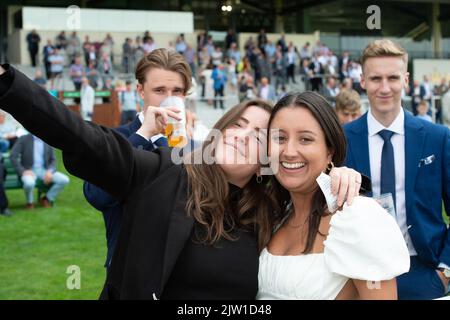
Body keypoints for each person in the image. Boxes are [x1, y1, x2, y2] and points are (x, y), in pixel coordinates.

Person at [0, 63, 360, 299]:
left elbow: (306, 178)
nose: (241, 135)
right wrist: (8, 84)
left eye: (259, 135)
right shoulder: (164, 172)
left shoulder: (271, 212)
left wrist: (335, 174)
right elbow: (84, 138)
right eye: (237, 124)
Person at [257, 91, 410, 300]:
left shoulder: (357, 217)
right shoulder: (272, 212)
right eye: (280, 138)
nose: (289, 151)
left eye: (305, 139)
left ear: (329, 151)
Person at [344, 40, 450, 299]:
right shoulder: (341, 138)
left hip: (424, 268)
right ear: (363, 81)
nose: (384, 88)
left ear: (405, 79)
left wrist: (446, 270)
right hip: (360, 271)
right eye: (375, 78)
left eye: (392, 78)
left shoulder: (438, 137)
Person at [10, 134, 70, 209]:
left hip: (44, 170)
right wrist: (23, 171)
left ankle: (47, 198)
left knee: (64, 180)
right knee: (29, 183)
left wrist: (50, 171)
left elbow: (53, 160)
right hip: (29, 171)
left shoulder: (48, 140)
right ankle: (30, 203)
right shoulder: (24, 139)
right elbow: (13, 156)